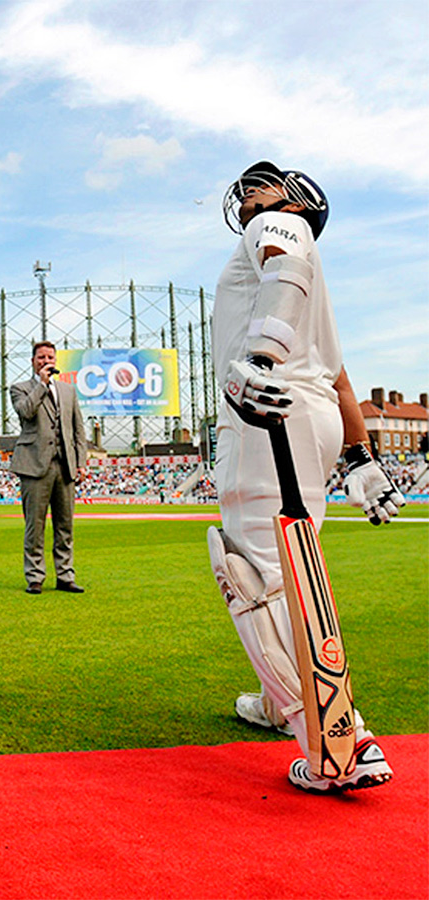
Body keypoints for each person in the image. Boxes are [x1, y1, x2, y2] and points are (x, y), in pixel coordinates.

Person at [209, 161, 405, 793]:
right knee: (296, 566)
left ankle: (341, 741)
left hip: (269, 411)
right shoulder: (317, 283)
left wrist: (259, 359)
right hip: (314, 418)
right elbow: (342, 380)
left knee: (253, 574)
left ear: (296, 200)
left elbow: (283, 269)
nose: (249, 191)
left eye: (263, 182)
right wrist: (359, 456)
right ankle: (275, 704)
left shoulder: (280, 230)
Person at [9, 341, 88, 594]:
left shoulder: (68, 390)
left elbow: (78, 429)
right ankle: (35, 576)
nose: (46, 361)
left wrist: (81, 462)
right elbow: (25, 412)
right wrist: (42, 385)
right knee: (35, 525)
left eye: (50, 357)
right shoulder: (20, 388)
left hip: (65, 465)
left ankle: (65, 576)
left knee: (65, 526)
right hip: (34, 465)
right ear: (33, 361)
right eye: (41, 357)